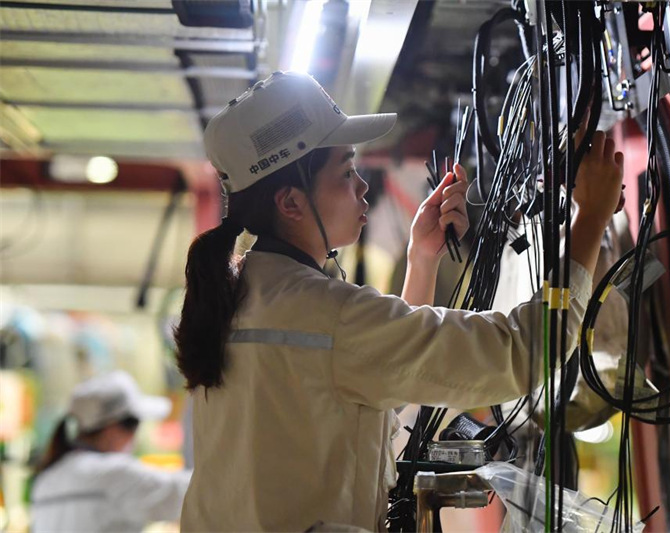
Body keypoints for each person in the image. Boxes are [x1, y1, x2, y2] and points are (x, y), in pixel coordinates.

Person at [175, 71, 624, 531]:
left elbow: (368, 402)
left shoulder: (241, 297)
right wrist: (590, 218)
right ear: (291, 203)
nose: (362, 187)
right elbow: (520, 353)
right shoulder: (327, 313)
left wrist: (422, 262)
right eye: (346, 173)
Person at [31, 371, 191, 532]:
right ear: (112, 428)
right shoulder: (114, 474)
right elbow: (191, 492)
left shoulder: (45, 481)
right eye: (134, 425)